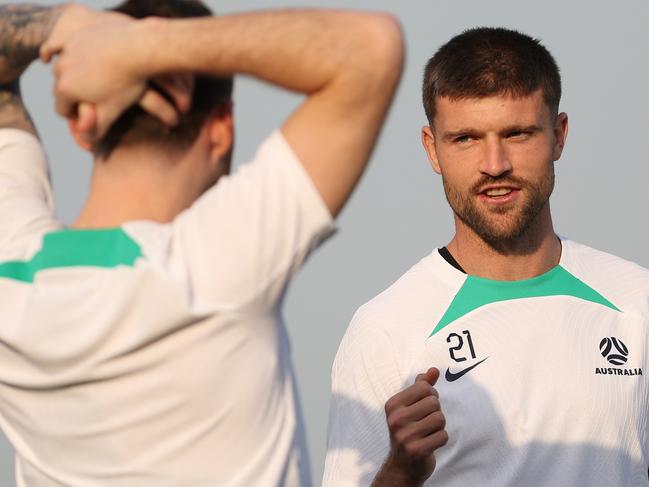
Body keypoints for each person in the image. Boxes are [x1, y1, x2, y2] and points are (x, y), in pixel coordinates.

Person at [0, 1, 403, 485]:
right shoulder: (215, 263)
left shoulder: (11, 270)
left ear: (82, 126)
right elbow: (370, 48)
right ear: (222, 130)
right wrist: (139, 49)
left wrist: (66, 25)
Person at [323, 27, 649, 487]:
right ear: (431, 148)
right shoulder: (385, 330)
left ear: (558, 135)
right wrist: (399, 473)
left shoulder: (638, 302)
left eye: (517, 133)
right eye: (465, 139)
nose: (494, 164)